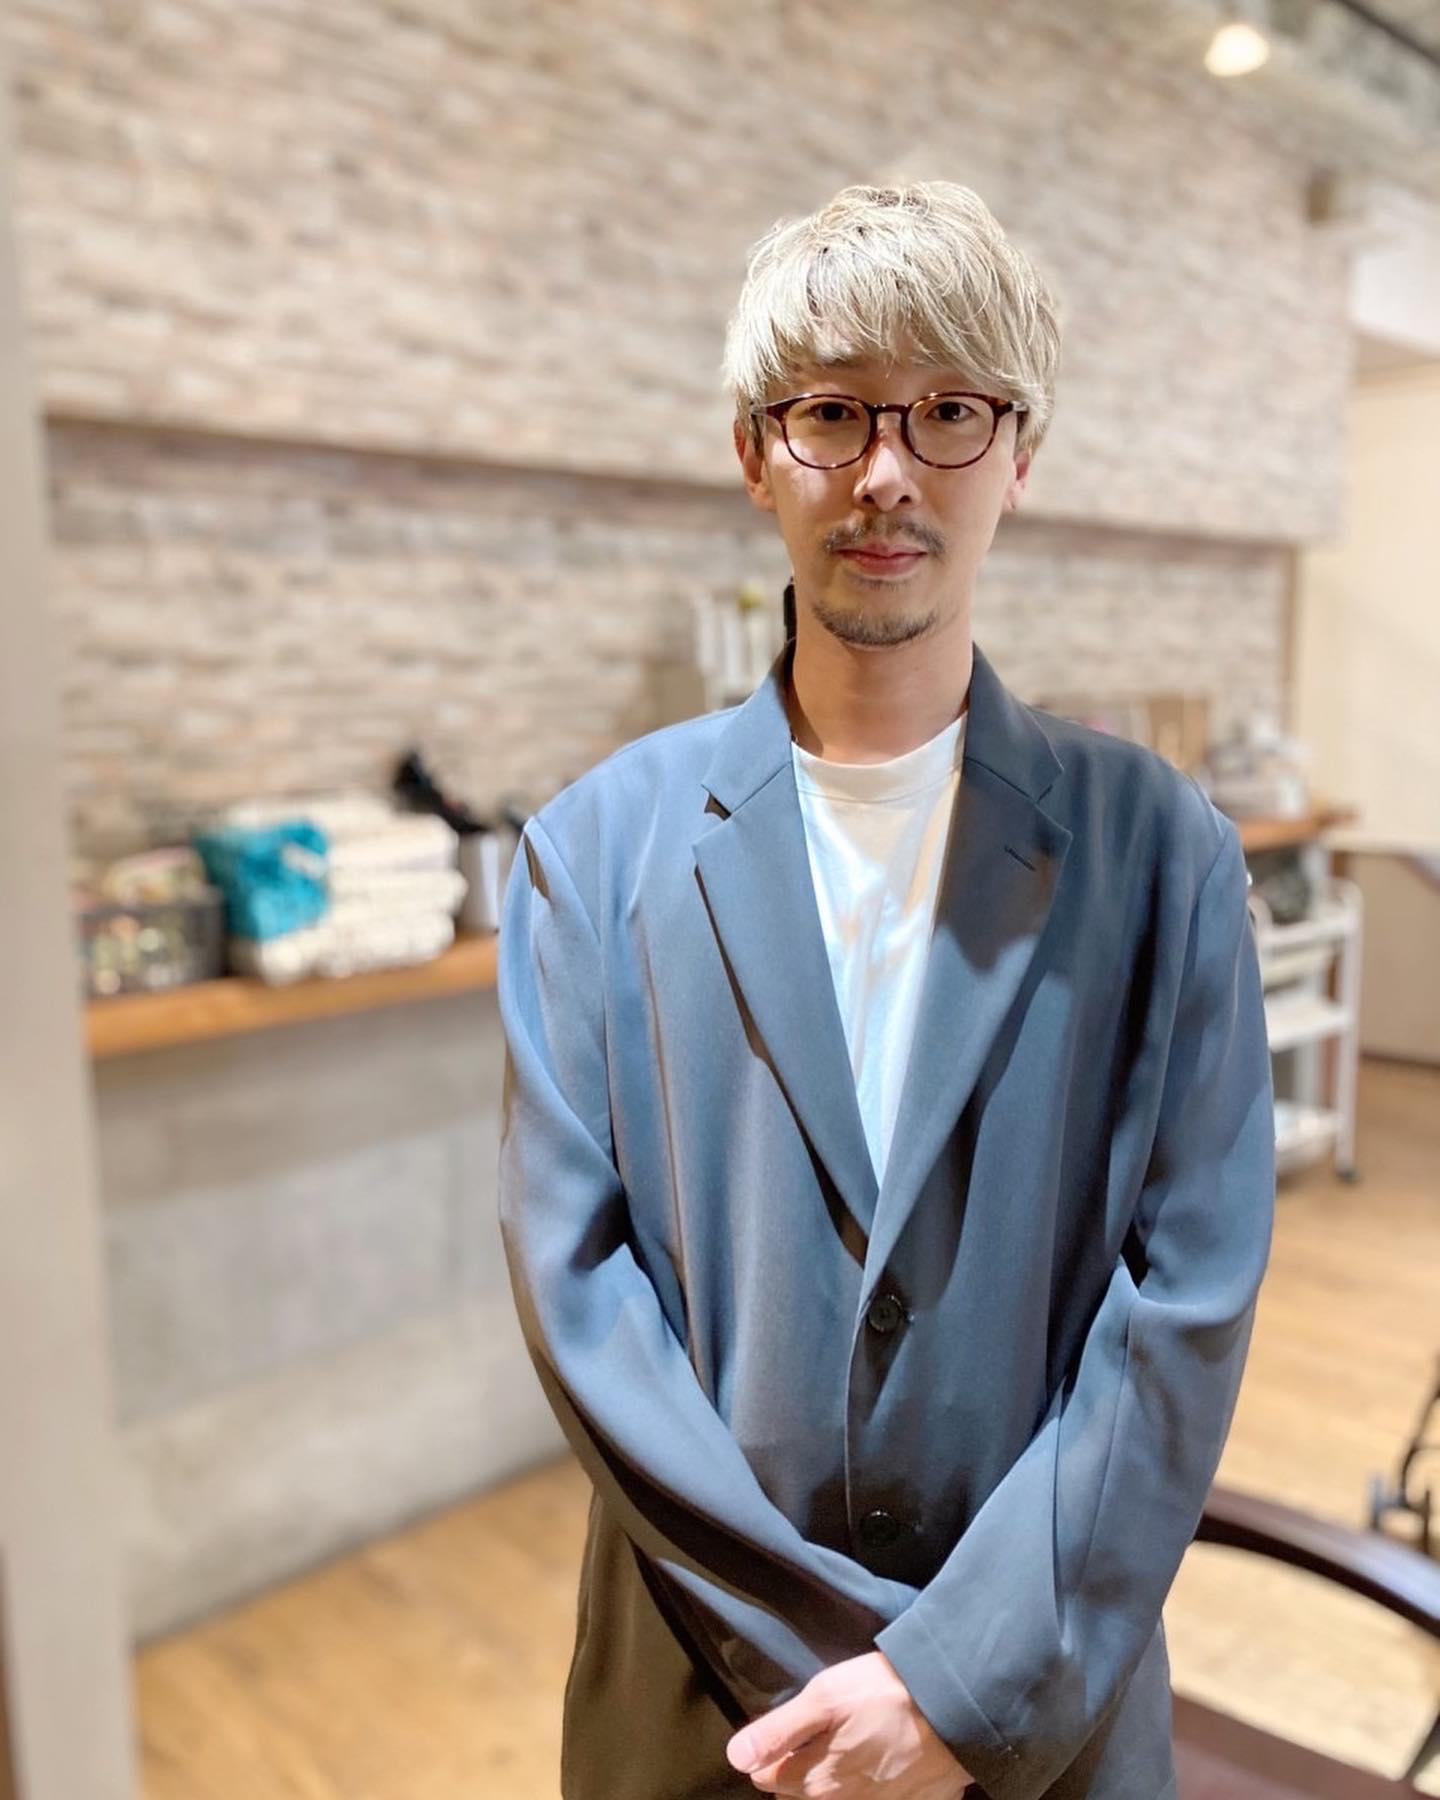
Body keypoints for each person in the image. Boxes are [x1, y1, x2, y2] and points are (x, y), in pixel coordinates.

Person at [496, 182, 1275, 1800]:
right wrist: (848, 1686)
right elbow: (583, 1303)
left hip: (1044, 1712)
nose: (887, 472)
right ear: (753, 451)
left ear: (1019, 453)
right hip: (708, 1710)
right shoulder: (591, 852)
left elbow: (1186, 1301)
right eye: (833, 411)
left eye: (949, 411)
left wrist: (958, 1687)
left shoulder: (1160, 851)